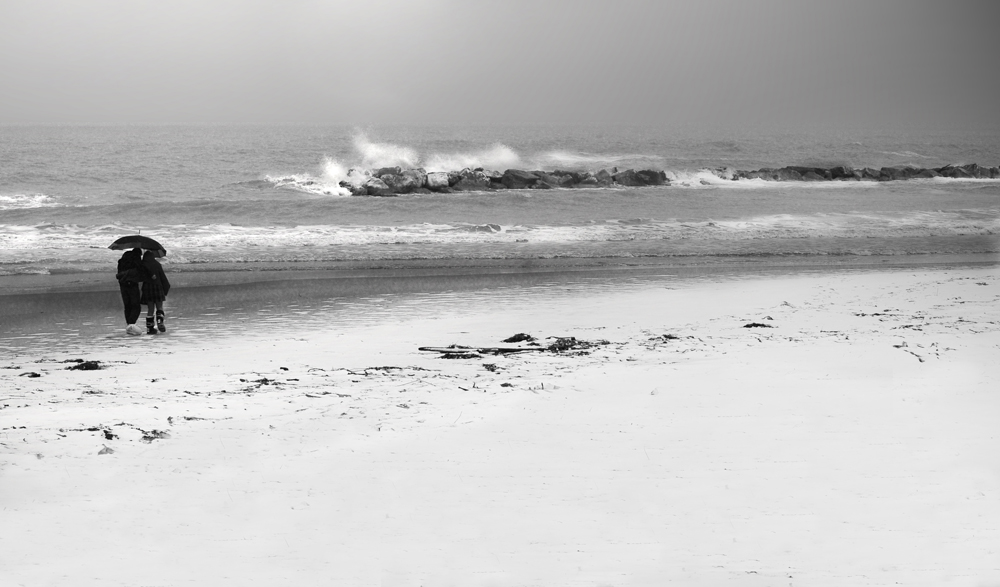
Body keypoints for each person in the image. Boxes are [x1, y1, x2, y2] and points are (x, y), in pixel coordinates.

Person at [140, 250, 171, 334]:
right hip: (158, 286)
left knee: (150, 309)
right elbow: (162, 277)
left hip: (147, 288)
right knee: (159, 307)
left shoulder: (142, 265)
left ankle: (150, 328)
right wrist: (166, 288)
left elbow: (140, 277)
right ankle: (160, 321)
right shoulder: (157, 264)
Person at [115, 248, 144, 335]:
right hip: (132, 283)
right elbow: (140, 271)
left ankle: (129, 324)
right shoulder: (136, 259)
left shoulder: (122, 261)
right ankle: (131, 324)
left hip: (123, 284)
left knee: (127, 305)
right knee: (136, 306)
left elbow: (119, 273)